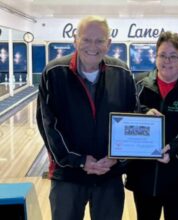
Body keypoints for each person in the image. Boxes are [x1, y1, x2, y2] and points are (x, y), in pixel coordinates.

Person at [36, 15, 136, 220]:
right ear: (76, 40)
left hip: (109, 175)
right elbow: (48, 126)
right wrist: (79, 161)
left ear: (108, 43)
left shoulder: (122, 72)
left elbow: (131, 118)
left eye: (99, 40)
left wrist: (116, 158)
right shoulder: (54, 73)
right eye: (87, 39)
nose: (93, 46)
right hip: (68, 176)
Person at [124, 31, 178, 220]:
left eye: (173, 56)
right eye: (162, 55)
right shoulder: (139, 84)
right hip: (144, 177)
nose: (167, 61)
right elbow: (127, 116)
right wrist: (143, 112)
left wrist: (173, 148)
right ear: (155, 56)